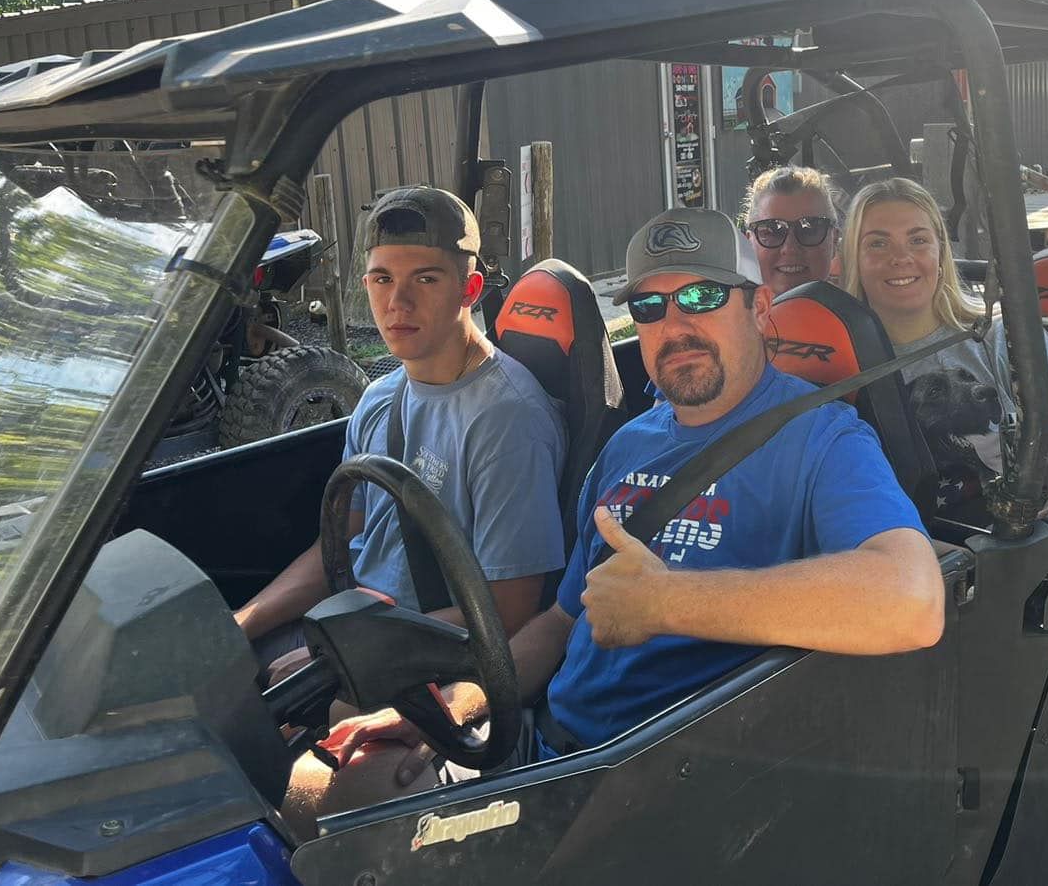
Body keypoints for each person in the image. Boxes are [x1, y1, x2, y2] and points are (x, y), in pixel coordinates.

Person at [299, 206, 944, 816]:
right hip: (544, 744)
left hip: (660, 782)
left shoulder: (823, 440)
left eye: (701, 296)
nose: (676, 324)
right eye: (650, 306)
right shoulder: (628, 444)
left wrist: (667, 603)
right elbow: (559, 621)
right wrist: (449, 707)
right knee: (335, 772)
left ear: (760, 307)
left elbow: (913, 600)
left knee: (340, 800)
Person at [234, 186, 567, 680]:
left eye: (425, 279)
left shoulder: (506, 422)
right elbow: (342, 543)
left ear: (469, 290)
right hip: (356, 625)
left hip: (431, 657)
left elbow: (510, 610)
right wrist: (242, 624)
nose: (398, 302)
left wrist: (343, 658)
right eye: (382, 279)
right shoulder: (379, 398)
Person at [842, 177, 1048, 513]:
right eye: (878, 244)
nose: (901, 258)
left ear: (941, 253)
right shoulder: (840, 363)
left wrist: (1036, 548)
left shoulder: (1005, 336)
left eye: (918, 240)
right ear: (852, 257)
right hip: (909, 555)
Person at [739, 165, 844, 295]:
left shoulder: (856, 314)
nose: (790, 248)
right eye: (772, 232)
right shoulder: (726, 313)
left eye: (809, 229)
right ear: (749, 245)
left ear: (834, 240)